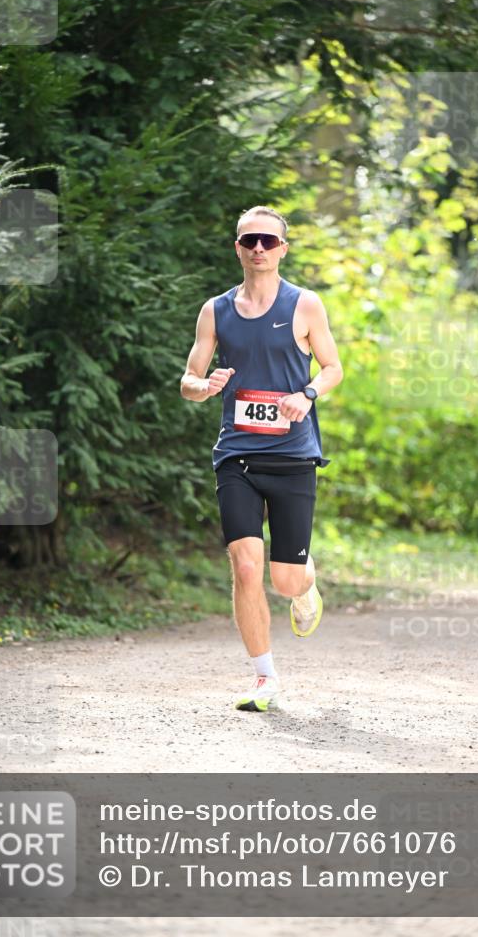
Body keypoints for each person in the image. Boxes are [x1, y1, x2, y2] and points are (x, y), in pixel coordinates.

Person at [180, 205, 343, 711]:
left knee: (283, 578)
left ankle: (304, 583)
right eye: (249, 240)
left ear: (282, 250)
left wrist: (308, 394)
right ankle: (264, 678)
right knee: (246, 567)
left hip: (293, 456)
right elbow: (188, 380)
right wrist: (203, 387)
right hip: (238, 457)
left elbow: (333, 367)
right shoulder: (216, 311)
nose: (258, 248)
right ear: (237, 248)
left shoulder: (305, 305)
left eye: (268, 241)